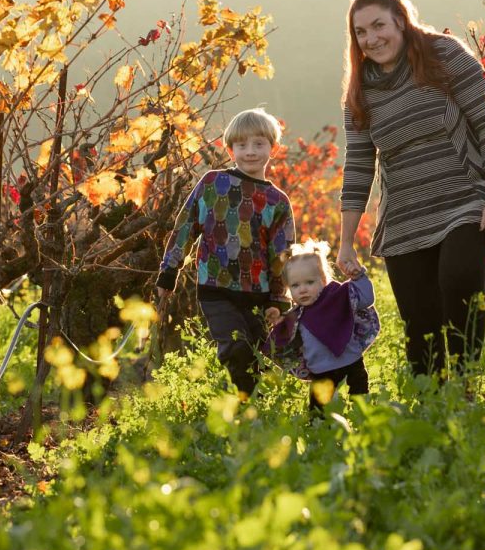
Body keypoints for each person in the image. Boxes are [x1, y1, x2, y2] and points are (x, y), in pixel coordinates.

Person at [336, 0, 485, 380]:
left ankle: (467, 385)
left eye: (379, 25)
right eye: (361, 32)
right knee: (420, 325)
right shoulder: (360, 91)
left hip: (470, 196)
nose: (371, 38)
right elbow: (359, 165)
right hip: (406, 213)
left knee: (459, 281)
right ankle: (430, 407)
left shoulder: (443, 54)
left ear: (400, 19)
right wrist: (346, 241)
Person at [156, 108, 295, 396]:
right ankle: (245, 405)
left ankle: (254, 410)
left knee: (261, 356)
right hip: (214, 287)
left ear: (274, 148)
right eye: (241, 145)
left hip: (257, 292)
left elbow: (282, 253)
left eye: (259, 144)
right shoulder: (212, 184)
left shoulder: (276, 201)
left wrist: (279, 299)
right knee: (236, 346)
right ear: (229, 149)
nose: (250, 152)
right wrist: (169, 270)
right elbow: (185, 226)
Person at [263, 241, 380, 412]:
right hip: (320, 369)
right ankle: (319, 430)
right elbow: (283, 338)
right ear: (288, 289)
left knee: (360, 397)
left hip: (351, 360)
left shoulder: (338, 296)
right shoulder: (296, 315)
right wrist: (277, 322)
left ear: (324, 280)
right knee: (319, 410)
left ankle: (362, 421)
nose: (302, 290)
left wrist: (358, 277)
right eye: (295, 285)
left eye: (309, 282)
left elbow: (367, 299)